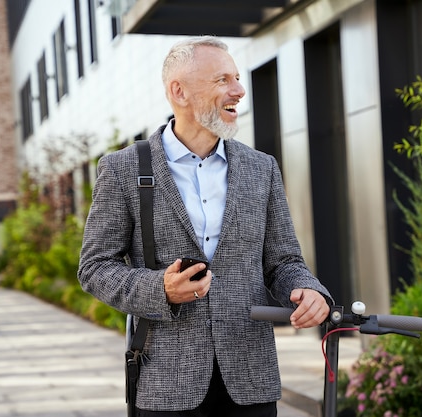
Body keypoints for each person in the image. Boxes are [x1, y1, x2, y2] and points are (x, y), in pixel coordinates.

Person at [78, 36, 333, 417]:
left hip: (250, 377)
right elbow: (95, 268)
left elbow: (283, 261)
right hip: (165, 381)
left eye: (237, 78)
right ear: (178, 91)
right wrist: (159, 288)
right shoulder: (123, 169)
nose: (239, 90)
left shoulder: (261, 168)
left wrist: (308, 290)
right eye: (222, 80)